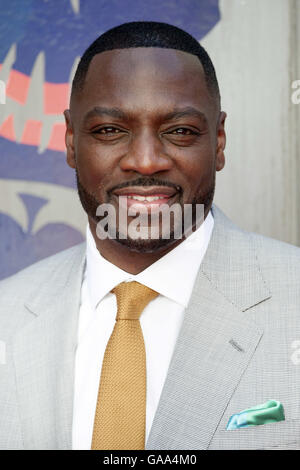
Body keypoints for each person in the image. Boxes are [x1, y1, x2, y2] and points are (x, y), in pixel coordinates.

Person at [1, 21, 300, 451]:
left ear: (218, 141)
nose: (145, 161)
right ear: (70, 141)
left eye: (179, 131)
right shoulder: (6, 316)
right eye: (109, 130)